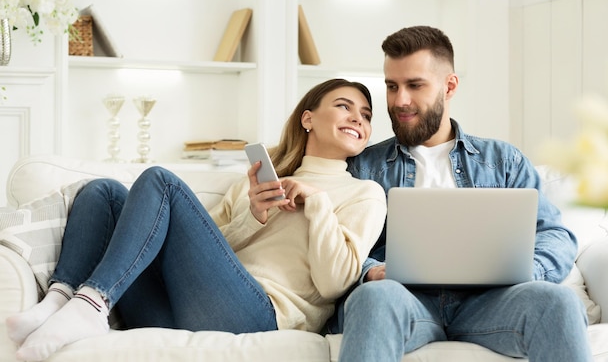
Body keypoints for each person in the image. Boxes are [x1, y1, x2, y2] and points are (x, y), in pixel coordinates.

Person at [6, 78, 387, 361]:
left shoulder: (364, 194)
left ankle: (92, 305)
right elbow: (202, 247)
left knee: (162, 182)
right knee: (102, 191)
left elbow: (334, 282)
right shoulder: (256, 181)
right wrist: (253, 215)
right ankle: (60, 301)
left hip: (260, 315)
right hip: (177, 309)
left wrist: (317, 205)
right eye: (344, 106)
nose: (358, 119)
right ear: (308, 118)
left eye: (367, 116)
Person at [331, 26, 593, 361]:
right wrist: (371, 270)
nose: (400, 101)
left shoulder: (503, 161)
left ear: (449, 86)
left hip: (491, 303)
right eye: (391, 86)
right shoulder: (364, 166)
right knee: (373, 298)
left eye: (414, 85)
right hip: (404, 300)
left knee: (559, 301)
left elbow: (554, 233)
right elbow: (337, 245)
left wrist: (532, 270)